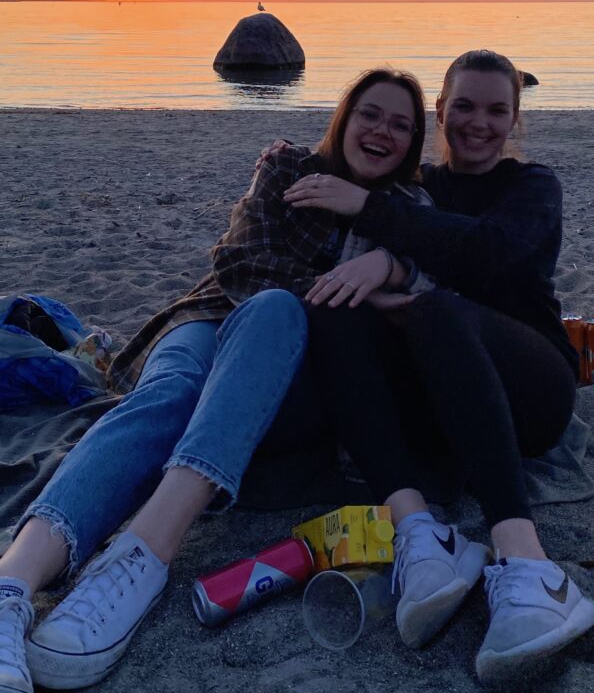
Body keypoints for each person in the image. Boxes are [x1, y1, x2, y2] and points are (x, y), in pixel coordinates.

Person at [0, 67, 429, 693]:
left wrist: (391, 261)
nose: (382, 132)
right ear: (345, 116)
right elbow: (243, 262)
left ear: (415, 142)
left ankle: (140, 556)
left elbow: (445, 269)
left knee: (281, 312)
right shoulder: (288, 168)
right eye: (371, 114)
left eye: (401, 124)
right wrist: (357, 292)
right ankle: (14, 581)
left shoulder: (408, 213)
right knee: (171, 392)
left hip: (285, 365)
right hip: (212, 312)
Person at [277, 49, 594, 682]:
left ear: (514, 119)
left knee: (436, 310)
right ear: (441, 112)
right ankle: (422, 532)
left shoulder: (532, 187)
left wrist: (387, 249)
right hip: (439, 404)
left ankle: (528, 563)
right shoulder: (412, 190)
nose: (479, 123)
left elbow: (486, 253)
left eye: (496, 110)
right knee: (339, 302)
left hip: (531, 391)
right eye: (465, 107)